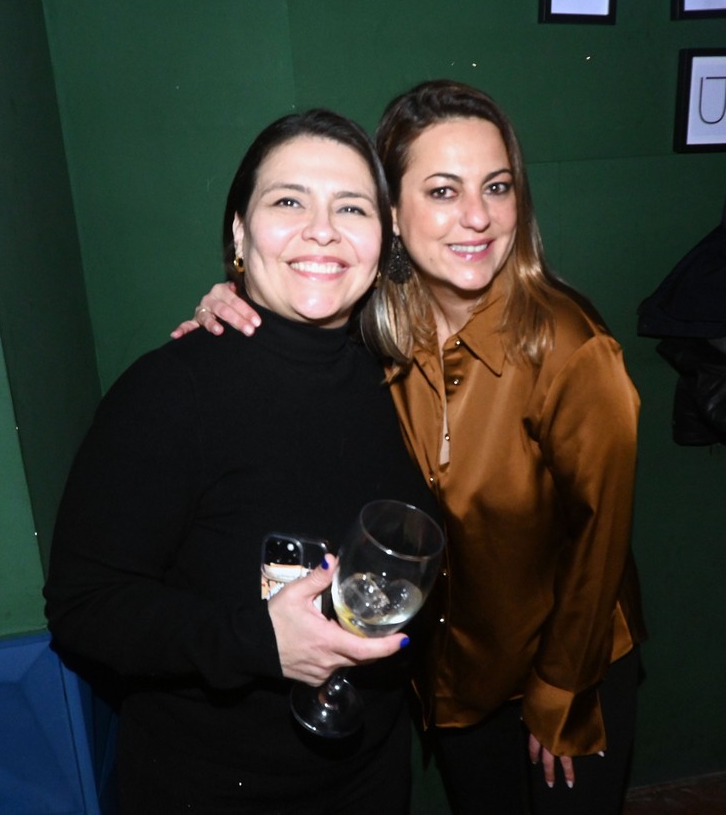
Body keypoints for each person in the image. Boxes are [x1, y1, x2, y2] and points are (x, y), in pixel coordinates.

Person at [178, 80, 645, 814]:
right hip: (454, 678)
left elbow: (602, 538)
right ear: (392, 214)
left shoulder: (569, 347)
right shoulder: (372, 328)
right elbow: (295, 301)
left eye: (497, 187)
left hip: (567, 660)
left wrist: (563, 686)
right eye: (443, 190)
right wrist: (229, 301)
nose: (478, 216)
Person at [44, 108, 440, 814]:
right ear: (238, 233)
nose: (322, 229)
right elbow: (85, 606)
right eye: (288, 201)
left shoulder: (381, 377)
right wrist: (256, 642)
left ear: (383, 240)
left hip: (370, 777)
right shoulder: (170, 391)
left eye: (350, 207)